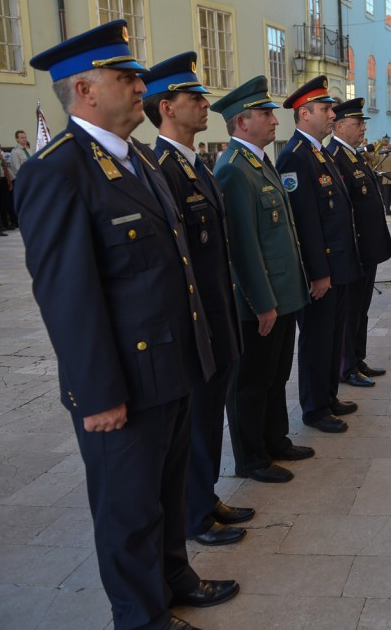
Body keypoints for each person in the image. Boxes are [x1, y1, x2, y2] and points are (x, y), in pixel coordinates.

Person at [16, 19, 237, 630]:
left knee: (166, 491)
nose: (141, 87)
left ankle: (174, 579)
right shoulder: (57, 171)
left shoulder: (137, 156)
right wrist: (97, 394)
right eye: (126, 77)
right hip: (124, 380)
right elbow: (66, 296)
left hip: (172, 363)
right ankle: (141, 617)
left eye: (138, 77)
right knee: (128, 509)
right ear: (85, 90)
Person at [140, 52, 256, 546]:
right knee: (194, 422)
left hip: (217, 313)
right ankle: (193, 514)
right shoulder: (161, 168)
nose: (206, 104)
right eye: (195, 98)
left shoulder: (195, 164)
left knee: (208, 418)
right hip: (197, 321)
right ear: (167, 108)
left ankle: (204, 497)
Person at [211, 76, 313, 483]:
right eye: (265, 114)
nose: (274, 120)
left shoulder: (258, 162)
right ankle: (251, 458)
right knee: (250, 382)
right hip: (259, 301)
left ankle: (275, 440)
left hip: (282, 293)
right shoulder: (234, 170)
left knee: (275, 375)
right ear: (241, 122)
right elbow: (242, 246)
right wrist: (262, 302)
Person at [275, 76, 365, 434]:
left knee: (332, 336)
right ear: (304, 113)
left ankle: (328, 397)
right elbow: (304, 222)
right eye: (326, 109)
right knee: (316, 340)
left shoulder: (318, 152)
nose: (332, 115)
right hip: (321, 271)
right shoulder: (295, 157)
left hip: (337, 266)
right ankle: (314, 408)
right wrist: (318, 272)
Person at [324, 97, 391, 385]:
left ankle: (357, 358)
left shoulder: (353, 155)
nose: (363, 128)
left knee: (361, 309)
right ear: (340, 126)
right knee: (350, 310)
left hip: (367, 248)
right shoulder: (334, 156)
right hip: (353, 249)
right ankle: (346, 366)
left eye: (363, 123)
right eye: (357, 123)